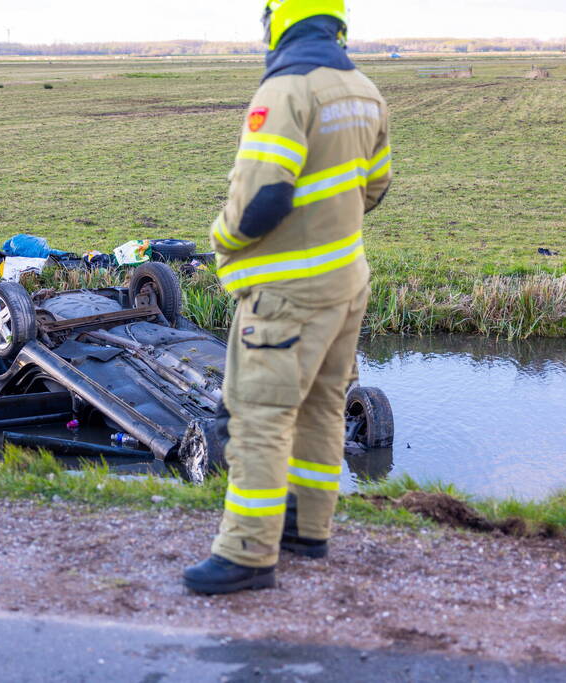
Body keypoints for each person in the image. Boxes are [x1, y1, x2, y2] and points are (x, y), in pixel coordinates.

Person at [184, 0, 391, 595]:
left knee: (260, 417)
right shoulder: (364, 89)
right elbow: (376, 186)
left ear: (280, 20)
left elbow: (261, 201)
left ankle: (247, 553)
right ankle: (307, 528)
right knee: (323, 408)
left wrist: (220, 236)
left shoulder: (286, 91)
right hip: (347, 281)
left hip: (288, 294)